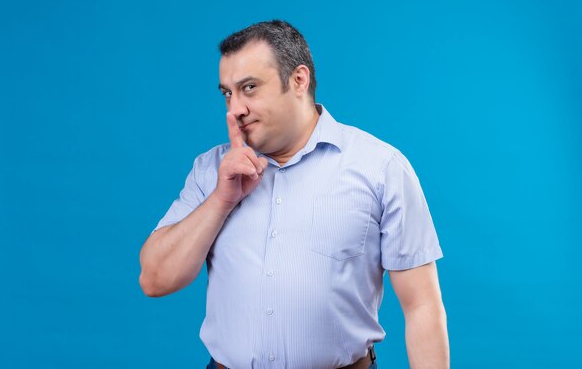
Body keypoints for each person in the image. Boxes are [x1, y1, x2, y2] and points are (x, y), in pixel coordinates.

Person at [139, 20, 449, 369]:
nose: (234, 108)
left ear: (298, 80)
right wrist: (221, 200)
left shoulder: (381, 168)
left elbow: (422, 305)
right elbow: (154, 279)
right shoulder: (212, 170)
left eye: (249, 87)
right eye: (228, 93)